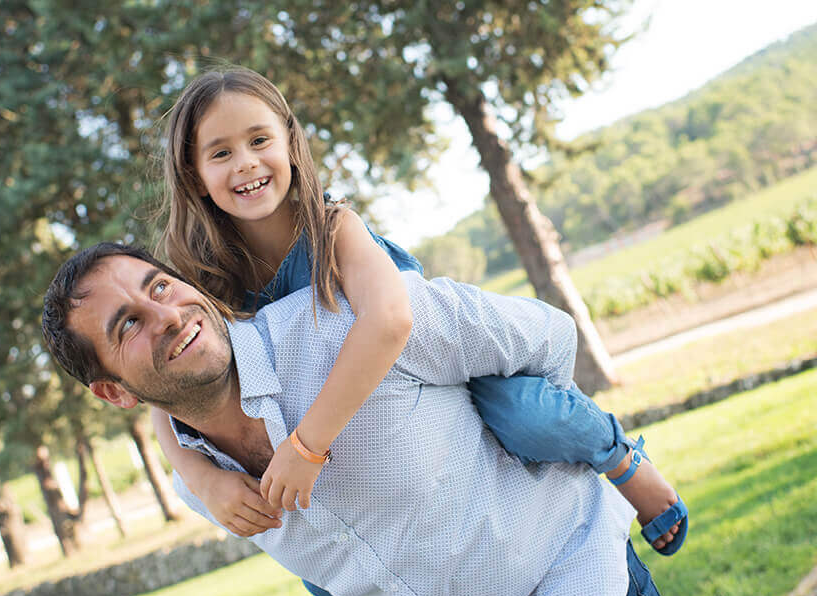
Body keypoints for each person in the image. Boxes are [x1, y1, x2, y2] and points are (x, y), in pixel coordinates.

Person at [41, 242, 689, 596]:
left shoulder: (340, 322)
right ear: (111, 391)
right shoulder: (199, 479)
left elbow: (542, 337)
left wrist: (543, 426)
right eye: (127, 323)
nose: (166, 314)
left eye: (159, 286)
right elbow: (348, 580)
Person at [153, 68, 685, 544]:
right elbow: (159, 395)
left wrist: (308, 448)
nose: (245, 163)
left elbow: (391, 320)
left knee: (525, 417)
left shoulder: (335, 227)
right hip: (367, 417)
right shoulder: (205, 280)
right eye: (220, 152)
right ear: (196, 175)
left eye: (259, 140)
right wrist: (204, 478)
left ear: (290, 143)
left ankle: (620, 459)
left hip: (434, 368)